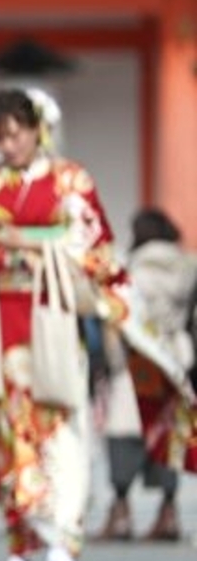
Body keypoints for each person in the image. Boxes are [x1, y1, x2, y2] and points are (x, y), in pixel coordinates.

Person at [0, 87, 196, 561]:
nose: (8, 144)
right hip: (3, 319)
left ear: (37, 130)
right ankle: (19, 544)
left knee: (63, 425)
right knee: (10, 430)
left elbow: (97, 249)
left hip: (54, 317)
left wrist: (27, 239)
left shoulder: (70, 180)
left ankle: (65, 539)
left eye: (16, 132)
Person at [98, 208, 196, 541]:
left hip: (138, 357)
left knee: (125, 429)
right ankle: (169, 511)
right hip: (174, 354)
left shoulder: (133, 268)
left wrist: (110, 359)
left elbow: (121, 315)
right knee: (168, 431)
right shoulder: (187, 267)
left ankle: (121, 509)